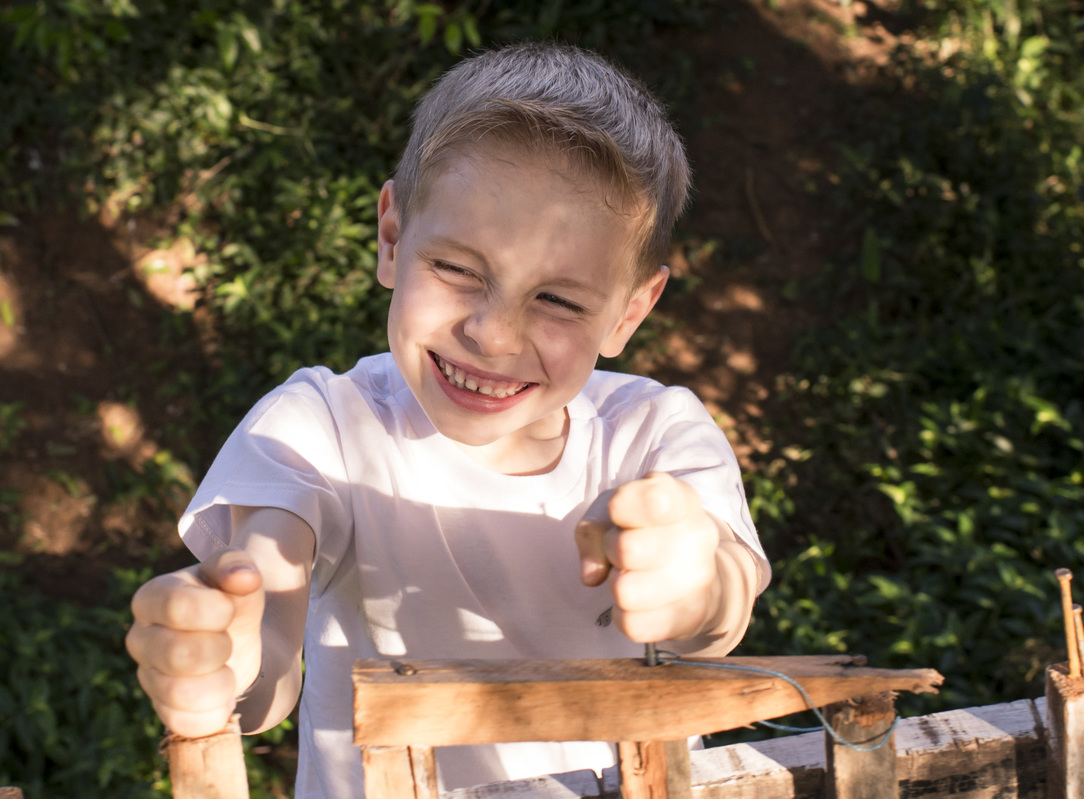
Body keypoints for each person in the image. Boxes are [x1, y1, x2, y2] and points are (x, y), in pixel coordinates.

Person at [125, 42, 770, 799]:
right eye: (459, 269)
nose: (493, 334)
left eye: (559, 301)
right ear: (393, 236)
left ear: (630, 311)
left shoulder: (656, 436)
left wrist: (700, 587)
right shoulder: (318, 429)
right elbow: (262, 645)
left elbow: (721, 610)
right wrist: (222, 661)